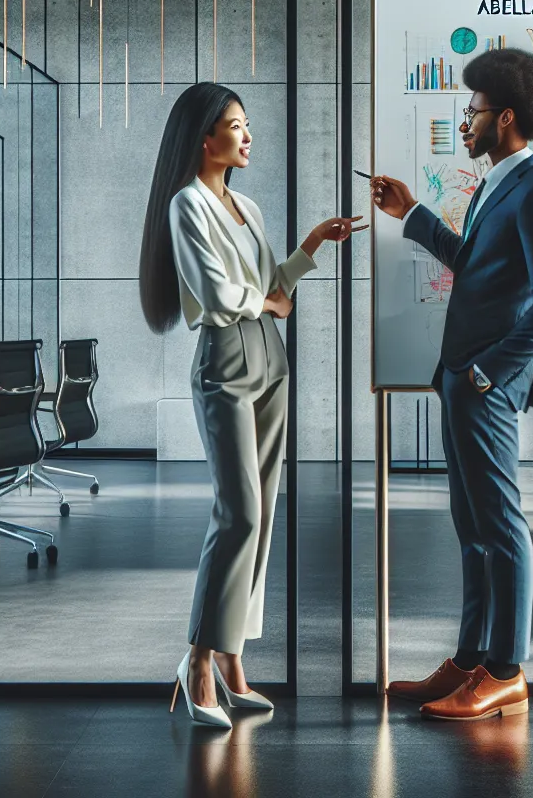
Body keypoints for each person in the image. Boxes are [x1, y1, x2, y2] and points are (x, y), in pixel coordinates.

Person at [139, 82, 362, 729]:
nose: (247, 135)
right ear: (203, 138)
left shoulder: (247, 206)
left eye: (246, 124)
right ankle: (197, 660)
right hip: (226, 362)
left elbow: (271, 282)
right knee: (237, 514)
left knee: (262, 519)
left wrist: (312, 246)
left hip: (271, 361)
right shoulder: (187, 206)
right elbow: (216, 293)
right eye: (235, 125)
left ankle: (234, 658)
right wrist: (266, 301)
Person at [370, 48, 533, 721]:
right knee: (472, 527)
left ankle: (507, 670)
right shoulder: (494, 185)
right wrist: (413, 212)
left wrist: (491, 370)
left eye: (474, 112)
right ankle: (469, 660)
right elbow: (474, 264)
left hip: (484, 382)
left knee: (501, 525)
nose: (466, 122)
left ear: (504, 117)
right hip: (460, 377)